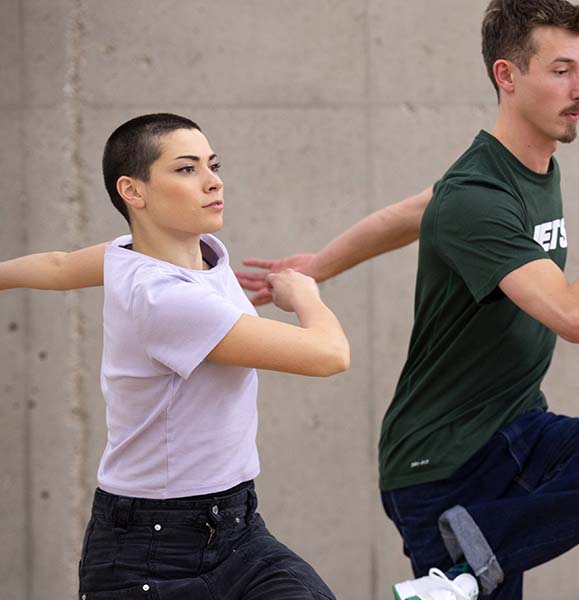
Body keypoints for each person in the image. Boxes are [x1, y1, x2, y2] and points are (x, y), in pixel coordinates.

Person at [241, 1, 579, 598]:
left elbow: (413, 212)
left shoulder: (511, 173)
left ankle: (472, 556)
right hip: (441, 464)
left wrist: (319, 264)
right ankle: (466, 560)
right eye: (561, 70)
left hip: (514, 430)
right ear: (507, 75)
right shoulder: (480, 195)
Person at [1, 113, 351, 599]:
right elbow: (329, 354)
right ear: (134, 191)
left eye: (213, 164)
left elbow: (58, 266)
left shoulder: (136, 254)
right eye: (186, 169)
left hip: (236, 526)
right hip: (150, 548)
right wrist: (303, 295)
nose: (213, 181)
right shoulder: (161, 297)